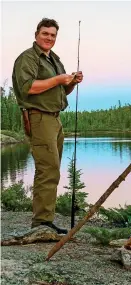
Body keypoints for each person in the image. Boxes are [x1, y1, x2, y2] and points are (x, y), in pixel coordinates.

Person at [12, 18, 83, 234]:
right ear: (36, 34)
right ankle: (41, 223)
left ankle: (46, 220)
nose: (49, 38)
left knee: (53, 168)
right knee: (47, 169)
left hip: (55, 119)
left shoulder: (54, 60)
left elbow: (60, 91)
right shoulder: (28, 58)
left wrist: (70, 82)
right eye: (45, 34)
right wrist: (58, 80)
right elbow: (28, 88)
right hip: (39, 118)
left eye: (53, 35)